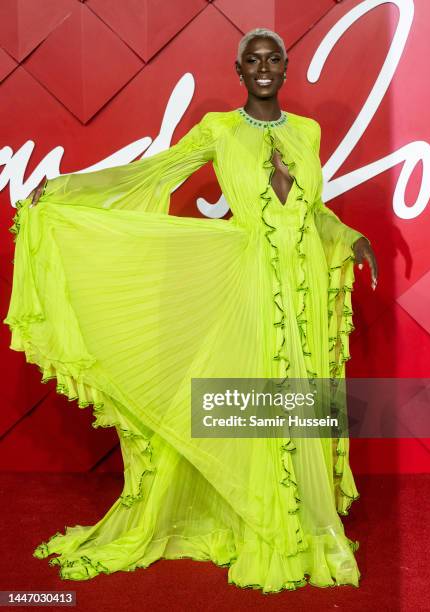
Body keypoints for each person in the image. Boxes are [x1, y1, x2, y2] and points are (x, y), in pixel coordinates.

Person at [4, 27, 378, 593]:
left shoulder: (307, 132)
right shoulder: (219, 129)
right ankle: (259, 525)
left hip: (300, 292)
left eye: (272, 57)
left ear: (285, 65)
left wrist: (351, 238)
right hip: (246, 284)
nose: (263, 67)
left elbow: (314, 212)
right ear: (239, 69)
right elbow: (152, 172)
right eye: (252, 59)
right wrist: (63, 190)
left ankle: (301, 523)